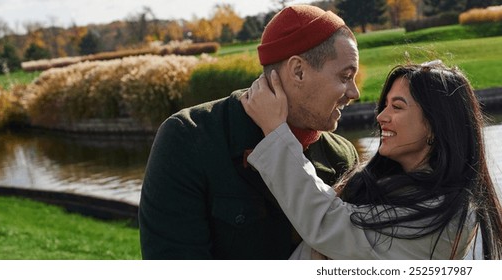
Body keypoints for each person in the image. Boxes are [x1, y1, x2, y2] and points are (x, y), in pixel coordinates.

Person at [138, 5, 361, 259]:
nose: (355, 93)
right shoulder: (188, 138)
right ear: (298, 71)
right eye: (345, 76)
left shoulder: (342, 156)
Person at [241, 60, 502, 259]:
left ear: (435, 125)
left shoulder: (444, 217)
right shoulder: (393, 184)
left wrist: (276, 133)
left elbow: (328, 224)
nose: (381, 116)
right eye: (385, 105)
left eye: (397, 106)